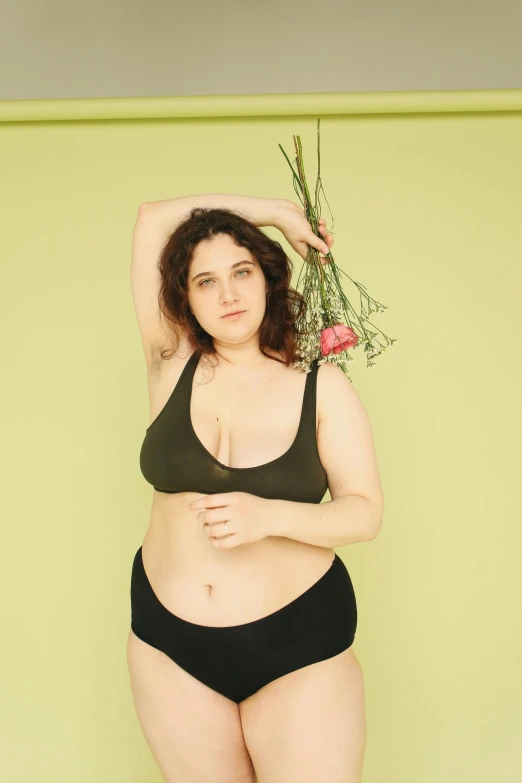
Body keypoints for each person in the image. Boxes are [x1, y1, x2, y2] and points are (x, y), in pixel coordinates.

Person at [127, 194, 384, 783]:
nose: (228, 295)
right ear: (185, 298)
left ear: (267, 277)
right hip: (169, 646)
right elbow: (151, 219)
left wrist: (268, 516)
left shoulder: (320, 386)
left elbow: (364, 513)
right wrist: (274, 212)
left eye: (242, 272)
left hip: (297, 645)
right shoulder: (170, 363)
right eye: (206, 281)